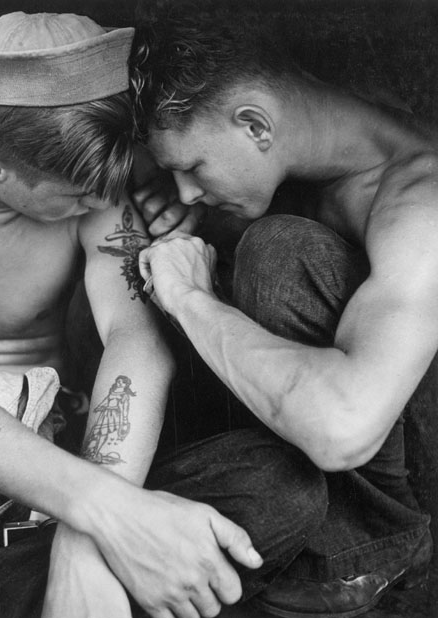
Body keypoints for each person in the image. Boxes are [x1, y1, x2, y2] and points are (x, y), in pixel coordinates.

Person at [0, 10, 329, 618]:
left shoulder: (94, 186)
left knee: (281, 483)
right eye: (78, 194)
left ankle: (37, 587)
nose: (102, 205)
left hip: (67, 462)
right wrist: (110, 513)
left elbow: (135, 338)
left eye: (111, 187)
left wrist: (84, 535)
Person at [131, 2, 435, 617]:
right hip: (310, 452)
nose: (183, 188)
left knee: (276, 250)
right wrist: (203, 216)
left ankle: (367, 548)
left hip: (398, 462)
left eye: (191, 167)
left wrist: (189, 297)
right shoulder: (316, 142)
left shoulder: (420, 205)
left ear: (255, 126)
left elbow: (344, 427)